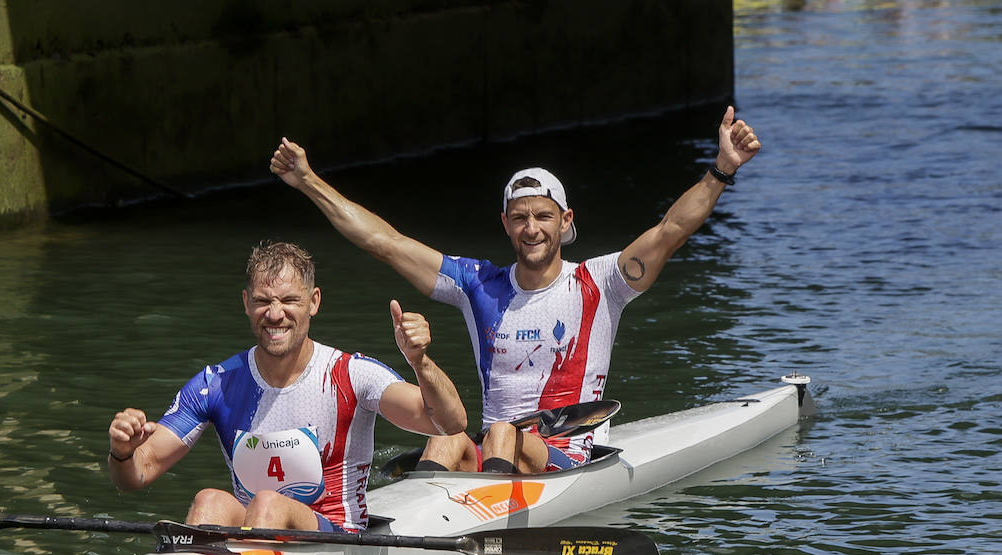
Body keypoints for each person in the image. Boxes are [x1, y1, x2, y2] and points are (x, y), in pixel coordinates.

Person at [270, 107, 761, 475]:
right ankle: (418, 543)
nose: (532, 229)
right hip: (495, 453)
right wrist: (308, 181)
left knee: (502, 431)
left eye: (543, 216)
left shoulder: (601, 282)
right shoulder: (476, 285)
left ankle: (488, 548)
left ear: (564, 221)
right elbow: (386, 243)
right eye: (521, 217)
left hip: (568, 456)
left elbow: (671, 228)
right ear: (505, 224)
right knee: (448, 434)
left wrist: (722, 169)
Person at [107, 241, 467, 533]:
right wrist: (122, 451)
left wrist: (420, 363)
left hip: (339, 535)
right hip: (258, 529)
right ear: (247, 304)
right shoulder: (216, 383)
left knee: (267, 503)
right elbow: (136, 475)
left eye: (289, 300)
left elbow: (449, 423)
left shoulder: (351, 374)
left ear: (313, 303)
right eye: (263, 301)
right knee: (209, 501)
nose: (275, 314)